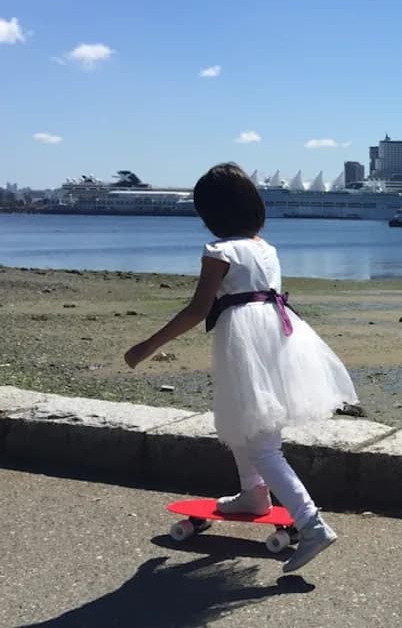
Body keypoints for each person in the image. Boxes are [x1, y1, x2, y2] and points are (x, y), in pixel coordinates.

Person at [124, 162, 356, 573]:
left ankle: (312, 524)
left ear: (212, 213)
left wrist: (147, 346)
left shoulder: (219, 252)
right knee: (245, 419)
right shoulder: (266, 248)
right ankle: (253, 495)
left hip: (245, 341)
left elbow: (198, 309)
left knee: (262, 443)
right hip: (278, 336)